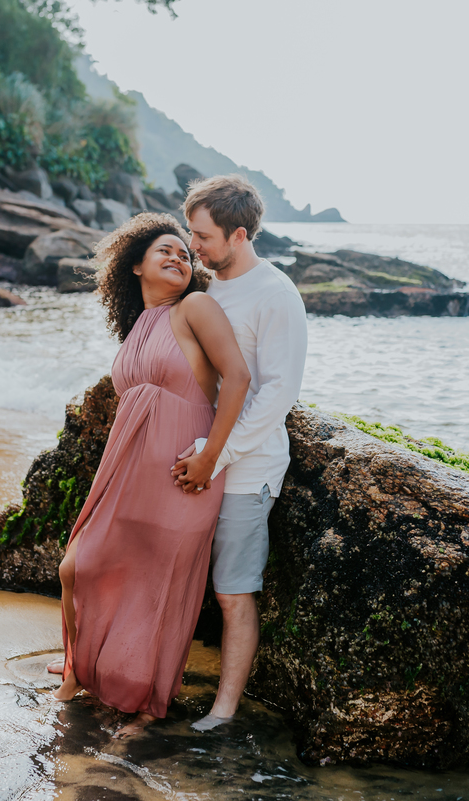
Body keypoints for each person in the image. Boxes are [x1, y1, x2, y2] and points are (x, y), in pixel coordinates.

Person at [51, 213, 251, 740]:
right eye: (165, 250)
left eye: (185, 254)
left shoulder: (196, 308)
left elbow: (238, 377)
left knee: (161, 585)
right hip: (128, 470)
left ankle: (147, 705)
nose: (178, 258)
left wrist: (211, 456)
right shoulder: (138, 325)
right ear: (135, 264)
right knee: (79, 566)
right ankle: (79, 668)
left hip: (184, 470)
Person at [170, 175, 308, 731]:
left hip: (247, 468)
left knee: (232, 592)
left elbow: (278, 393)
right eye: (190, 231)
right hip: (198, 456)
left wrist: (217, 457)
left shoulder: (276, 295)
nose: (193, 246)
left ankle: (224, 711)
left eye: (202, 236)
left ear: (240, 234)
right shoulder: (205, 288)